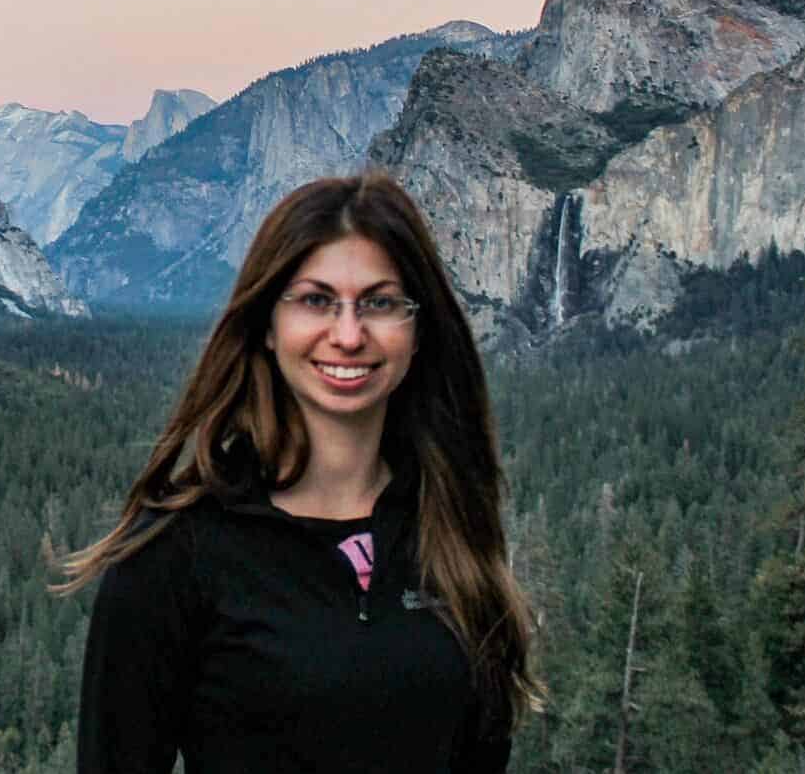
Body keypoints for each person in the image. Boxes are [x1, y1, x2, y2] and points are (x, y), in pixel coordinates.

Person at [59, 172, 537, 772]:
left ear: (418, 332)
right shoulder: (173, 552)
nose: (347, 334)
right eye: (316, 300)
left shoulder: (450, 525)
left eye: (380, 303)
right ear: (267, 323)